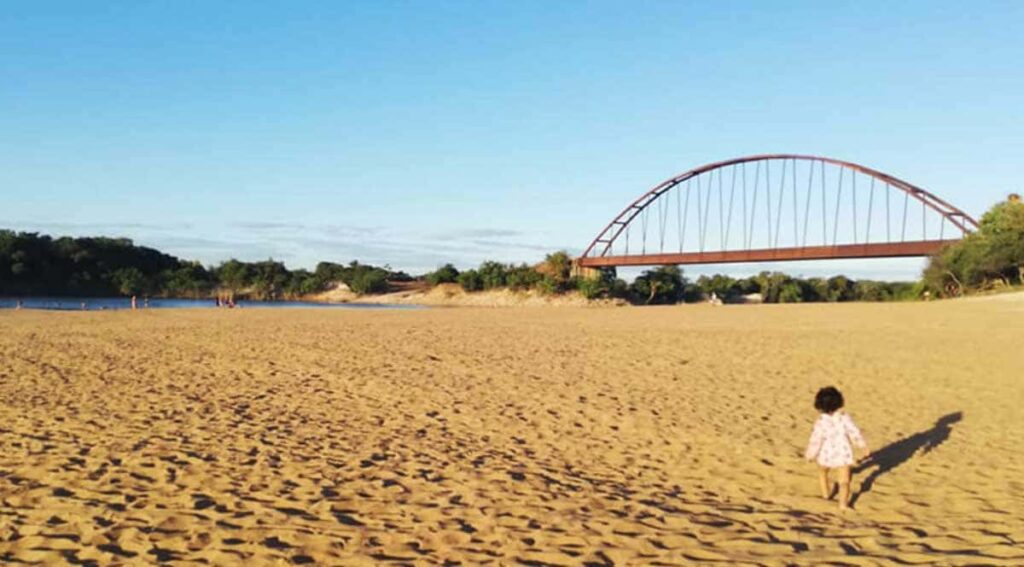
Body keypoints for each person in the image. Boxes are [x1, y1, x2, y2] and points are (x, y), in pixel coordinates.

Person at [805, 386, 869, 511]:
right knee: (844, 482)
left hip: (826, 453)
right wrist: (862, 446)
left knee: (822, 471)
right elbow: (854, 433)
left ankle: (826, 494)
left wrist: (810, 454)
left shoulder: (820, 422)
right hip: (843, 454)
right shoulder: (845, 418)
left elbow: (816, 440)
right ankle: (843, 504)